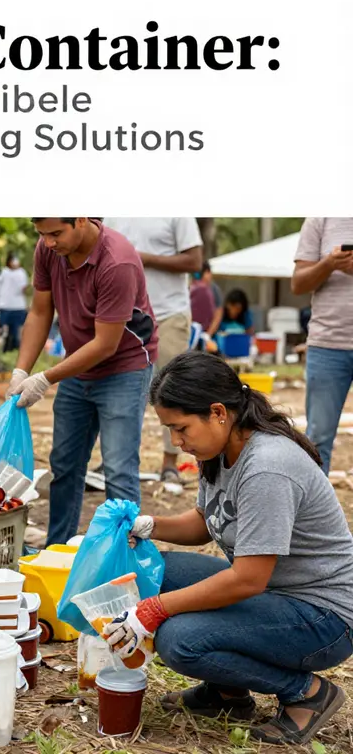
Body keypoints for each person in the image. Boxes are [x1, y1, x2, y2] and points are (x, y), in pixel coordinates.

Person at [106, 351, 353, 745]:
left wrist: (154, 610)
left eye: (181, 428)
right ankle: (227, 692)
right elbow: (207, 521)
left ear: (218, 412)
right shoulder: (221, 451)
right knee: (156, 569)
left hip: (323, 618)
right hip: (275, 595)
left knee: (179, 640)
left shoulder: (267, 467)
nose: (176, 441)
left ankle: (306, 693)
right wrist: (147, 526)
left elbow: (248, 580)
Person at [7, 218, 158, 546]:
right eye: (41, 234)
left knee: (118, 469)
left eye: (56, 233)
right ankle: (57, 547)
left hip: (124, 368)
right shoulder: (49, 250)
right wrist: (21, 370)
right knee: (64, 464)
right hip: (78, 366)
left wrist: (46, 378)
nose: (48, 242)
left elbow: (106, 344)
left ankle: (123, 553)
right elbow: (39, 312)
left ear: (80, 219)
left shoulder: (117, 261)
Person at [104, 218, 203, 482]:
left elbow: (194, 262)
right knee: (117, 391)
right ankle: (114, 462)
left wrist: (144, 258)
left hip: (169, 314)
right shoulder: (112, 213)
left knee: (174, 390)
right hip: (125, 316)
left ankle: (170, 462)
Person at [292, 217, 353, 474]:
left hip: (328, 345)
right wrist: (329, 263)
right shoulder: (321, 218)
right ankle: (314, 514)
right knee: (317, 439)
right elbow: (298, 284)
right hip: (328, 344)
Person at [0, 252, 29, 351]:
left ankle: (12, 350)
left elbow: (24, 288)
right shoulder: (5, 272)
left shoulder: (21, 272)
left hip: (17, 307)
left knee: (14, 333)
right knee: (3, 331)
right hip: (5, 306)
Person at [192, 261, 223, 337]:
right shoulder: (192, 288)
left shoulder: (214, 289)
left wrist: (208, 334)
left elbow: (218, 313)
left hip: (209, 334)